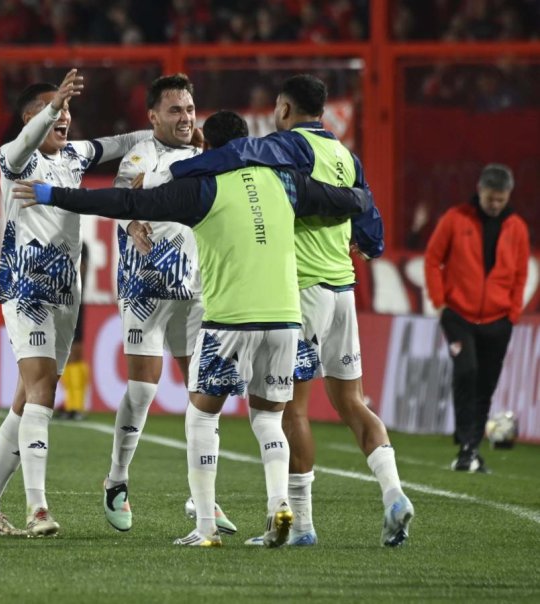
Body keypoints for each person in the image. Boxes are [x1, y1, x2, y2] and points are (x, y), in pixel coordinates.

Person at [14, 113, 374, 547]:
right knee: (268, 419)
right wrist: (362, 201)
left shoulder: (204, 187)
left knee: (201, 416)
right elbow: (340, 199)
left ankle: (205, 526)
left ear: (209, 147)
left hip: (228, 321)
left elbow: (124, 203)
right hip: (285, 320)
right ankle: (280, 504)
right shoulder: (287, 182)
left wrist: (52, 194)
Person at [165, 75, 413, 548]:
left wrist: (180, 170)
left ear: (283, 108)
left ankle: (300, 524)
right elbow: (373, 237)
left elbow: (237, 155)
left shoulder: (288, 147)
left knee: (288, 411)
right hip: (343, 291)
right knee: (353, 402)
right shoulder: (346, 156)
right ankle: (393, 492)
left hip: (301, 293)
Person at [0, 69, 152, 538]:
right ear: (31, 117)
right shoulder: (14, 157)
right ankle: (38, 508)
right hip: (26, 288)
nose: (64, 115)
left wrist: (165, 132)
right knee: (43, 391)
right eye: (54, 109)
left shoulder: (74, 155)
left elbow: (121, 142)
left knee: (27, 399)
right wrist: (52, 106)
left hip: (68, 292)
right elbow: (27, 139)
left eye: (68, 109)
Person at [102, 74, 236, 536]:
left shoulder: (205, 156)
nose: (185, 117)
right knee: (143, 391)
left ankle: (204, 498)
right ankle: (116, 480)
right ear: (153, 116)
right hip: (145, 289)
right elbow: (122, 200)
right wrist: (132, 222)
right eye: (175, 110)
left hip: (197, 291)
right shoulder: (141, 156)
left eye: (190, 109)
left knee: (204, 393)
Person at [424, 163, 529, 473]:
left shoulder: (517, 228)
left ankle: (470, 448)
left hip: (499, 319)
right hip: (458, 314)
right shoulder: (455, 219)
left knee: (486, 384)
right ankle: (465, 438)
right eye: (490, 198)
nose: (495, 204)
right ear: (480, 191)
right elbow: (433, 259)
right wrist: (440, 302)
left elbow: (521, 272)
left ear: (508, 195)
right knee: (466, 371)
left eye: (501, 199)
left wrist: (513, 312)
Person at [59, 243, 89, 421]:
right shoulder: (57, 243)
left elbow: (80, 272)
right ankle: (70, 404)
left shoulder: (79, 244)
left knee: (75, 354)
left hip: (74, 304)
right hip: (59, 305)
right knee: (65, 356)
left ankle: (77, 406)